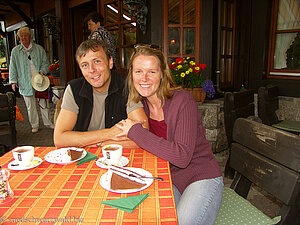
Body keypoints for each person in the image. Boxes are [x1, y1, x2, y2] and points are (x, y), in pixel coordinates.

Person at [115, 45, 224, 225]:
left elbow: (181, 156)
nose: (144, 78)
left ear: (162, 74)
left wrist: (136, 132)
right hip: (168, 177)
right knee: (148, 216)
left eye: (151, 72)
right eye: (139, 71)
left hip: (201, 176)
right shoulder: (141, 105)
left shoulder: (183, 101)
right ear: (131, 75)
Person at [53, 39, 147, 148]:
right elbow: (59, 139)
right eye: (85, 65)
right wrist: (109, 133)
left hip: (116, 157)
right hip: (83, 158)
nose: (92, 70)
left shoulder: (127, 86)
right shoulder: (74, 89)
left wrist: (99, 144)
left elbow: (142, 135)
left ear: (110, 62)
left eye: (97, 61)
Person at [9, 26, 54, 133]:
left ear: (30, 36)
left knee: (43, 102)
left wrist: (42, 71)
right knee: (30, 105)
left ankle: (48, 122)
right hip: (25, 81)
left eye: (26, 35)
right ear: (19, 38)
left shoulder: (39, 49)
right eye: (21, 36)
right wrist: (13, 81)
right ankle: (34, 124)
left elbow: (45, 63)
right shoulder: (16, 51)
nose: (24, 38)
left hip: (39, 80)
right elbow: (12, 66)